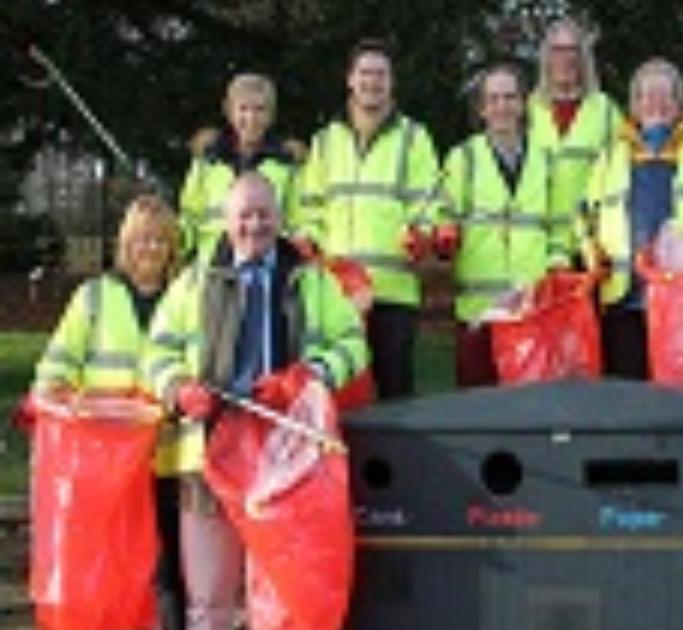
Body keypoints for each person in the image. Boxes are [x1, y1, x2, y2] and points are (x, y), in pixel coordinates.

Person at [142, 173, 367, 629]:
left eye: (264, 214)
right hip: (209, 457)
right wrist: (178, 388)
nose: (255, 225)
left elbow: (353, 342)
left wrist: (312, 375)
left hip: (287, 456)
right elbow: (155, 351)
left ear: (280, 217)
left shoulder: (310, 278)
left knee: (284, 597)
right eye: (244, 215)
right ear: (227, 221)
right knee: (209, 601)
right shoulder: (196, 280)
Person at [26, 195, 186, 629]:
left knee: (169, 570)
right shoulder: (93, 297)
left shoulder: (186, 299)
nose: (150, 248)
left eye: (159, 240)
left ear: (173, 246)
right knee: (108, 565)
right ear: (125, 243)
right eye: (141, 239)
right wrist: (57, 395)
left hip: (169, 457)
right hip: (105, 466)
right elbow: (55, 368)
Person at [295, 38, 439, 399]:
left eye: (380, 74)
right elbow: (310, 208)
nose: (372, 82)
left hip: (393, 293)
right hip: (337, 295)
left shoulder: (414, 138)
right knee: (340, 395)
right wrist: (308, 240)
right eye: (365, 73)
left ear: (392, 82)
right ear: (350, 79)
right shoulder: (325, 141)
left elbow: (429, 205)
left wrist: (421, 235)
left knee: (395, 399)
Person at [579, 58, 683, 379]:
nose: (656, 103)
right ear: (634, 105)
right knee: (627, 391)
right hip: (623, 296)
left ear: (679, 104)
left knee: (679, 392)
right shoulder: (612, 153)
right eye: (648, 95)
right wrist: (591, 252)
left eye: (666, 95)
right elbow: (584, 213)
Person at [436, 63, 569, 387]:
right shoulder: (462, 158)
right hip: (477, 310)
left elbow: (560, 226)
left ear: (523, 104)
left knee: (529, 407)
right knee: (477, 407)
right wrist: (444, 234)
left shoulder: (547, 160)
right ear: (482, 109)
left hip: (531, 309)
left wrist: (556, 266)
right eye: (493, 99)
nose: (502, 107)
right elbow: (443, 214)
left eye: (510, 97)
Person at [179, 73, 302, 261]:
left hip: (266, 267)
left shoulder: (287, 165)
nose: (251, 118)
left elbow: (297, 223)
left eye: (260, 109)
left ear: (271, 115)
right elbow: (189, 216)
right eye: (243, 109)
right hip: (211, 266)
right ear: (229, 112)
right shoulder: (208, 161)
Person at [527, 18, 624, 255]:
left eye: (573, 50)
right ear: (546, 58)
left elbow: (623, 174)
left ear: (584, 59)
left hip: (591, 244)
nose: (566, 58)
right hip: (536, 241)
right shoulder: (527, 109)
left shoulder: (606, 110)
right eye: (558, 50)